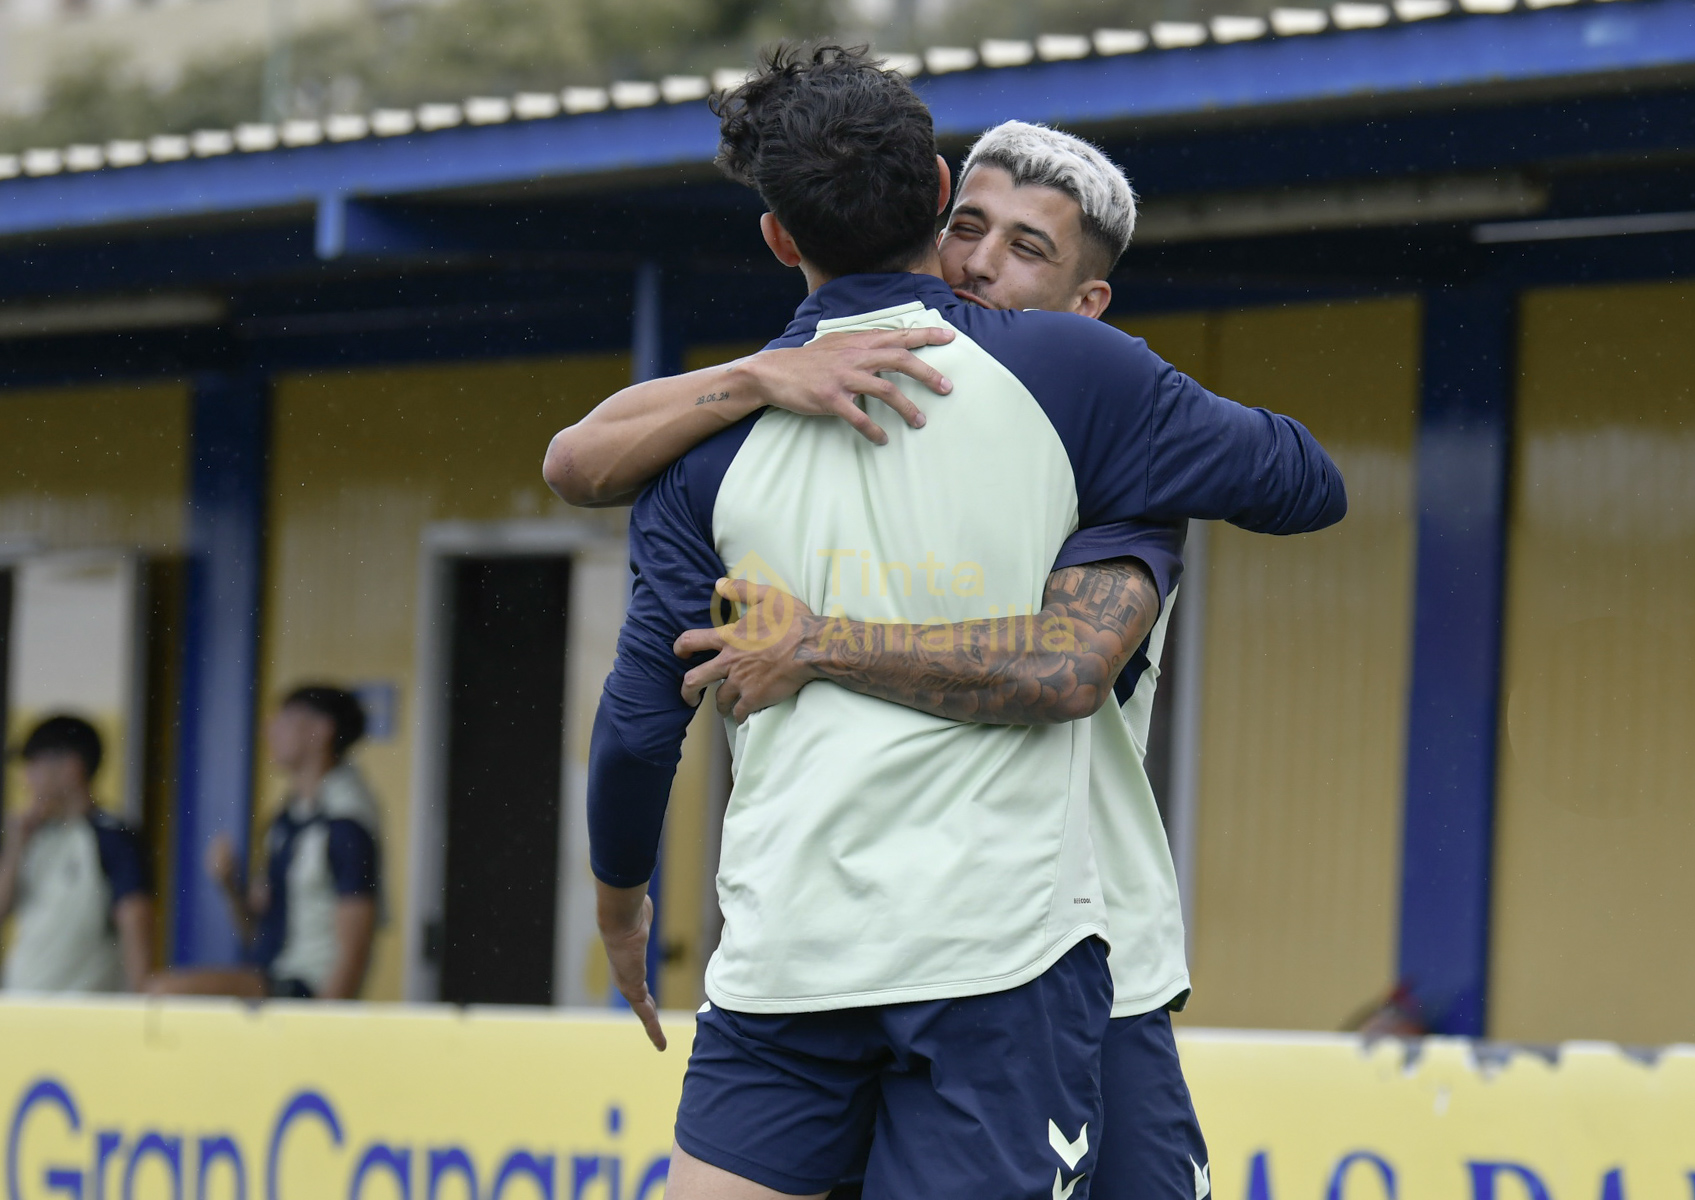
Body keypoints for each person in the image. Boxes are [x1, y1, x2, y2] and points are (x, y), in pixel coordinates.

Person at [563, 45, 1344, 1200]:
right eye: (972, 227)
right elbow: (1304, 478)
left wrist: (623, 890)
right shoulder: (1089, 393)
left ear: (778, 237)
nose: (980, 262)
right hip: (992, 961)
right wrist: (764, 374)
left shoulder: (1085, 422)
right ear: (935, 199)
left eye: (1028, 249)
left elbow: (639, 714)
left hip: (1022, 952)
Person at [149, 685, 380, 1000]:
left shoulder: (346, 824)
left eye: (285, 719)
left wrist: (323, 1023)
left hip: (306, 990)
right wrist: (230, 885)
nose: (269, 730)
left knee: (165, 991)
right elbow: (257, 935)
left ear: (321, 730)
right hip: (270, 976)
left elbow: (355, 950)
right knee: (157, 990)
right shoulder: (286, 821)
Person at [0, 715, 152, 994]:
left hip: (79, 1011)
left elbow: (135, 925)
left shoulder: (113, 838)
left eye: (35, 765)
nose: (26, 780)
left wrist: (137, 1002)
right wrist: (15, 847)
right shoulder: (33, 837)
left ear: (71, 767)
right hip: (17, 1003)